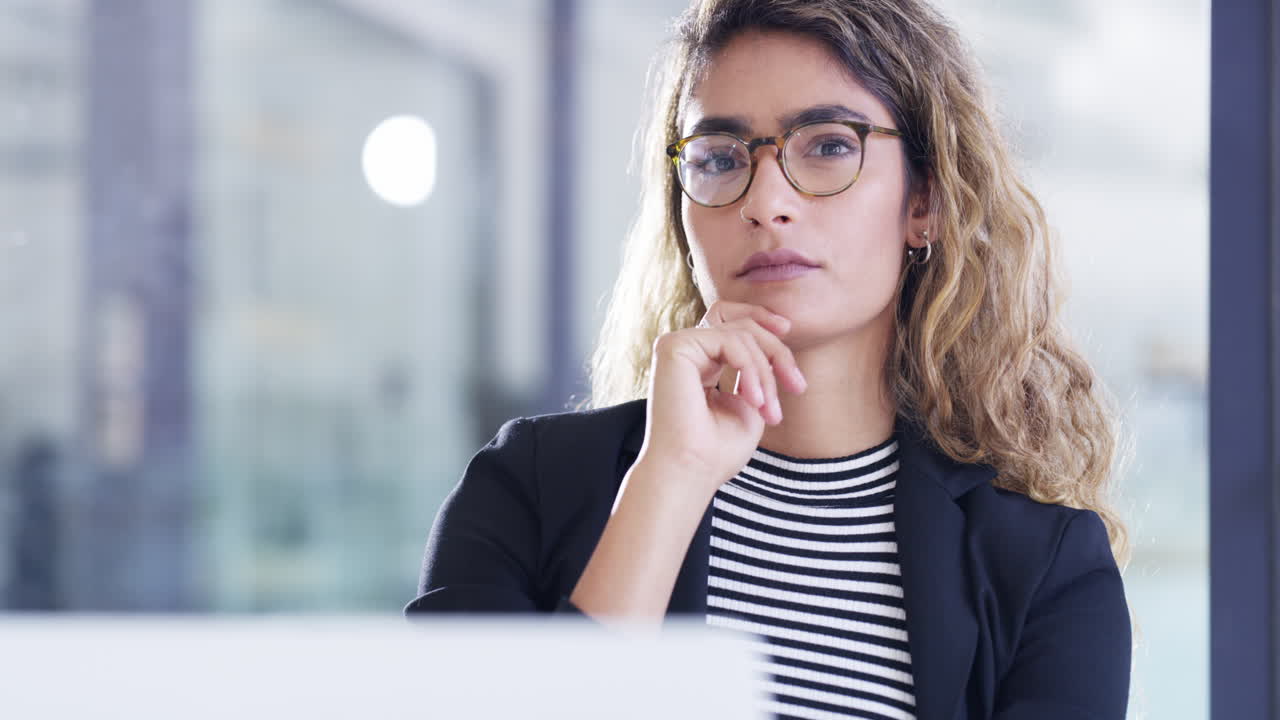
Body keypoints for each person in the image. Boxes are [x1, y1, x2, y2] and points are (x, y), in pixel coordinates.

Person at [405, 0, 1132, 717]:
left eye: (827, 145)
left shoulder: (1047, 570)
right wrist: (670, 482)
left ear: (925, 204)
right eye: (720, 159)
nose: (767, 201)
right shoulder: (528, 485)